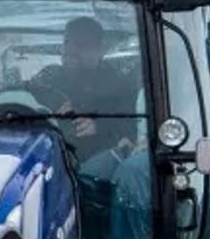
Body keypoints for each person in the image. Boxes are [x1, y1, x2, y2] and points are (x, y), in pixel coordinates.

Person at [27, 16, 137, 161]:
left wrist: (97, 126)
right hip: (42, 155)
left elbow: (131, 127)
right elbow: (24, 100)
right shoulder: (49, 75)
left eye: (81, 45)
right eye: (67, 43)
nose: (70, 50)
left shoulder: (118, 85)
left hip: (92, 165)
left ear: (100, 50)